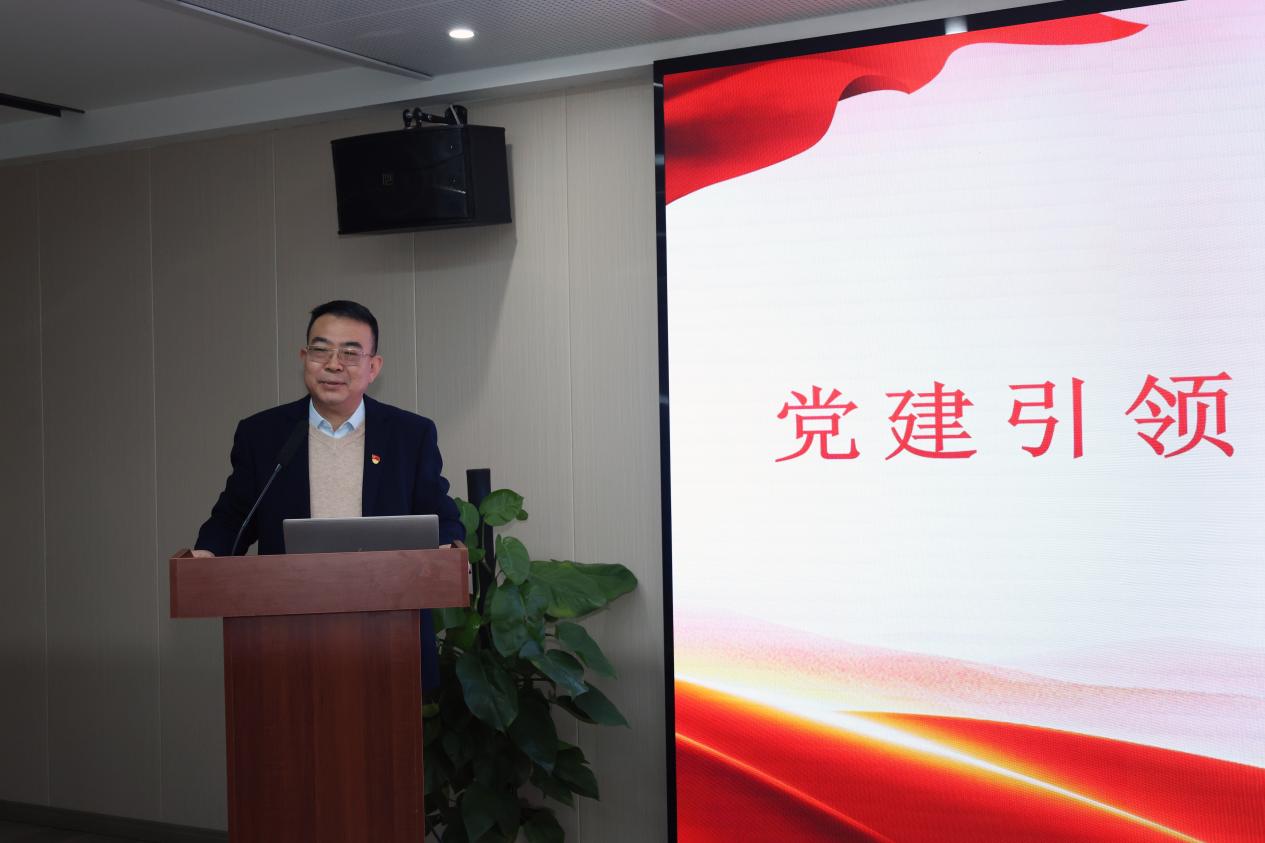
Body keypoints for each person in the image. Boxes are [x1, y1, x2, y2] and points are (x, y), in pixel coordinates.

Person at [193, 299, 462, 685]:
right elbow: (233, 518)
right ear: (304, 358)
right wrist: (206, 554)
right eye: (321, 350)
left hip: (389, 639)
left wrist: (447, 549)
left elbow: (442, 517)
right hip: (286, 639)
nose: (334, 364)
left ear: (373, 367)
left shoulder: (410, 435)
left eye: (350, 353)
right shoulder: (263, 434)